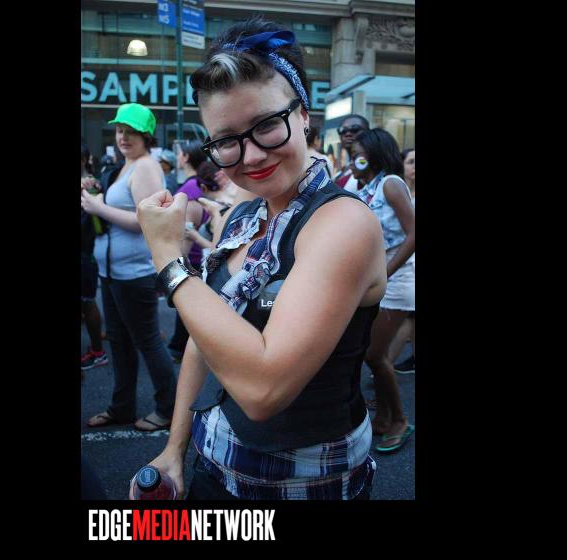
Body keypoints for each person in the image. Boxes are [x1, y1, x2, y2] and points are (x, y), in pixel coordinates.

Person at [135, 17, 387, 500]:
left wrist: (168, 259)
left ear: (304, 114)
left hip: (304, 487)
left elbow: (263, 391)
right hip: (214, 467)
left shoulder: (343, 223)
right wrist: (174, 448)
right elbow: (204, 340)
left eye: (267, 124)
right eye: (227, 140)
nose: (250, 156)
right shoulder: (243, 217)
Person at [81, 103, 178, 432]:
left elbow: (144, 220)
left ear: (146, 135)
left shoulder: (146, 166)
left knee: (148, 341)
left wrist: (98, 207)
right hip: (113, 273)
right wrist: (96, 193)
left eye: (131, 131)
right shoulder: (129, 165)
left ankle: (168, 408)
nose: (123, 136)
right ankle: (121, 407)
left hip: (134, 273)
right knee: (120, 343)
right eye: (120, 130)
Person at [349, 129, 415, 453]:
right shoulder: (369, 187)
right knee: (372, 354)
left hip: (398, 280)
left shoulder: (390, 183)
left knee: (375, 355)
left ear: (374, 155)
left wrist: (385, 273)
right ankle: (385, 417)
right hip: (380, 278)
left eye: (358, 156)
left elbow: (414, 233)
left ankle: (400, 421)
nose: (352, 161)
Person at [166, 141, 211, 363]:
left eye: (179, 154)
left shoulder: (190, 189)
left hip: (191, 261)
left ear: (185, 157)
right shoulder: (195, 185)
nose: (177, 157)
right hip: (195, 259)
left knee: (186, 309)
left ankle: (180, 350)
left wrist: (174, 265)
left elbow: (186, 233)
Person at [80, 142, 108, 371]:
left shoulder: (90, 186)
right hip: (87, 254)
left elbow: (95, 226)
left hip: (85, 255)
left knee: (87, 302)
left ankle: (98, 351)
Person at [389, 148, 415, 374]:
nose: (415, 167)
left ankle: (383, 363)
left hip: (408, 269)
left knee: (409, 315)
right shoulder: (395, 192)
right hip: (403, 264)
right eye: (412, 162)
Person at [334, 114, 370, 188]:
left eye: (355, 129)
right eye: (343, 130)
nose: (348, 134)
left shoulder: (367, 166)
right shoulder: (346, 168)